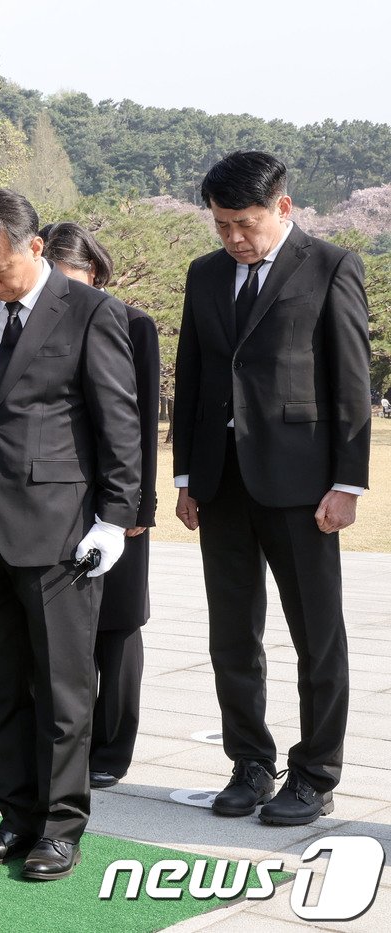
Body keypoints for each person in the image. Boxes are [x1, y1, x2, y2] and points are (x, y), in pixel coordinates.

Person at [0, 188, 139, 881]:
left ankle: (61, 827)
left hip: (61, 531)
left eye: (0, 270)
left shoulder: (91, 312)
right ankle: (15, 814)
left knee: (61, 685)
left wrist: (116, 518)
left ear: (34, 246)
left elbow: (118, 423)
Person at [173, 151, 371, 826]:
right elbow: (193, 377)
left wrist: (347, 483)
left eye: (244, 222)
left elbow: (351, 386)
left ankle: (315, 773)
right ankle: (250, 763)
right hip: (221, 484)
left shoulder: (331, 267)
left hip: (303, 487)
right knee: (232, 635)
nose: (233, 236)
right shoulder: (204, 276)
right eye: (221, 223)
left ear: (282, 207)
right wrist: (186, 478)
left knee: (317, 636)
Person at [40, 221, 159, 790]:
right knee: (64, 630)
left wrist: (136, 510)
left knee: (117, 626)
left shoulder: (133, 323)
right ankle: (70, 744)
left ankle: (113, 747)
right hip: (57, 499)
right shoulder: (29, 325)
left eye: (73, 278)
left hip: (118, 498)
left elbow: (139, 425)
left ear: (95, 274)